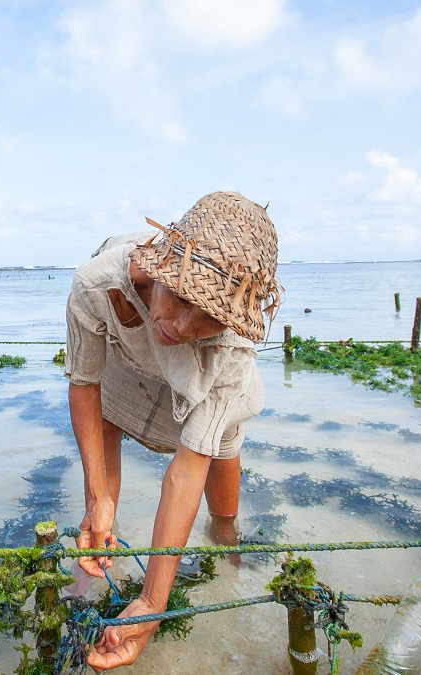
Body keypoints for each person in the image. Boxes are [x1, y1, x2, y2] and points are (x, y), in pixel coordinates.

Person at [63, 191, 280, 670]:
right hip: (127, 352)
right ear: (163, 268)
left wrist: (154, 602)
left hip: (205, 380)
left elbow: (187, 470)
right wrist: (98, 497)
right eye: (181, 300)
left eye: (207, 318)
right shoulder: (97, 284)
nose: (182, 326)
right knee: (105, 429)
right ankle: (99, 547)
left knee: (222, 450)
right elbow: (84, 385)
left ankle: (227, 543)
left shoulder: (232, 349)